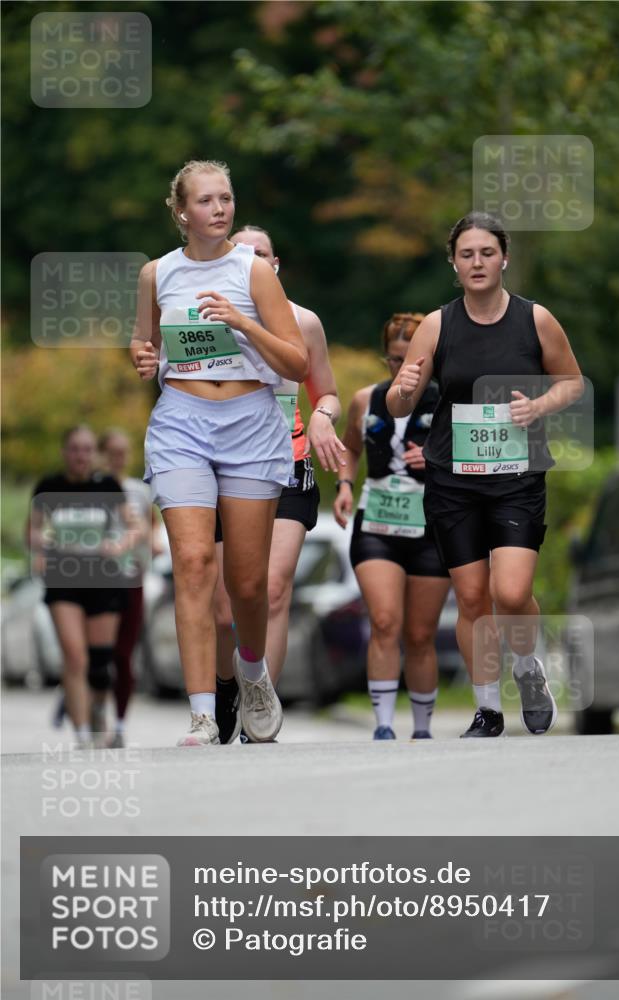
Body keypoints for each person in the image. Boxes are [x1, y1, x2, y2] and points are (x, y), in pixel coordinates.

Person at [130, 159, 308, 747]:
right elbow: (145, 342)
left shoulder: (254, 271)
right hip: (182, 421)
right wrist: (143, 359)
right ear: (181, 212)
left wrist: (242, 323)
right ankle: (203, 713)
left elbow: (296, 362)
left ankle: (252, 673)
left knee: (248, 583)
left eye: (226, 198)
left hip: (250, 423)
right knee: (192, 563)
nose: (219, 209)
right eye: (206, 201)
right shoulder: (158, 274)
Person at [387, 212, 585, 738]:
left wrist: (539, 406)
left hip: (517, 473)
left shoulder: (534, 319)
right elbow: (398, 401)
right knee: (472, 597)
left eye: (487, 253)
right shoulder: (437, 324)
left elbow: (572, 382)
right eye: (467, 254)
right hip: (453, 475)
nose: (477, 262)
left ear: (505, 258)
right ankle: (487, 709)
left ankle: (527, 668)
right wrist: (405, 385)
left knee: (512, 592)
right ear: (454, 263)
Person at [211, 226, 345, 743]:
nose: (250, 260)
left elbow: (327, 392)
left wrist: (322, 418)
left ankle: (259, 702)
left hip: (287, 463)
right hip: (226, 467)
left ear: (276, 264)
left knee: (273, 588)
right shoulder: (210, 314)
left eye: (260, 253)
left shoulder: (304, 322)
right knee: (227, 605)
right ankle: (228, 683)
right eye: (240, 253)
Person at [333, 313, 452, 740]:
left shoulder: (448, 401)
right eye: (394, 360)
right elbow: (349, 446)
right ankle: (383, 724)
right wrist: (345, 483)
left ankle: (422, 729)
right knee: (384, 621)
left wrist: (439, 459)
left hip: (430, 526)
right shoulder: (367, 399)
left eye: (411, 360)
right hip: (377, 522)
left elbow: (474, 463)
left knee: (420, 633)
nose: (402, 369)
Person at [28, 426, 129, 748]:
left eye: (87, 449)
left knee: (100, 665)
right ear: (64, 452)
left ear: (94, 454)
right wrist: (41, 544)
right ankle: (83, 735)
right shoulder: (49, 487)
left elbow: (135, 526)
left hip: (104, 578)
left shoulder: (108, 486)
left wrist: (121, 544)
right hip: (64, 579)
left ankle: (98, 707)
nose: (81, 455)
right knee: (75, 659)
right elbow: (32, 530)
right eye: (74, 449)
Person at [98, 429, 158, 748]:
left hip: (130, 576)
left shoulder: (138, 491)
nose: (118, 459)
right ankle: (93, 713)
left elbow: (150, 529)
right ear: (101, 454)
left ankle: (118, 723)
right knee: (96, 654)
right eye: (112, 452)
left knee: (124, 653)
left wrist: (133, 544)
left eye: (123, 452)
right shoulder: (89, 487)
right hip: (94, 578)